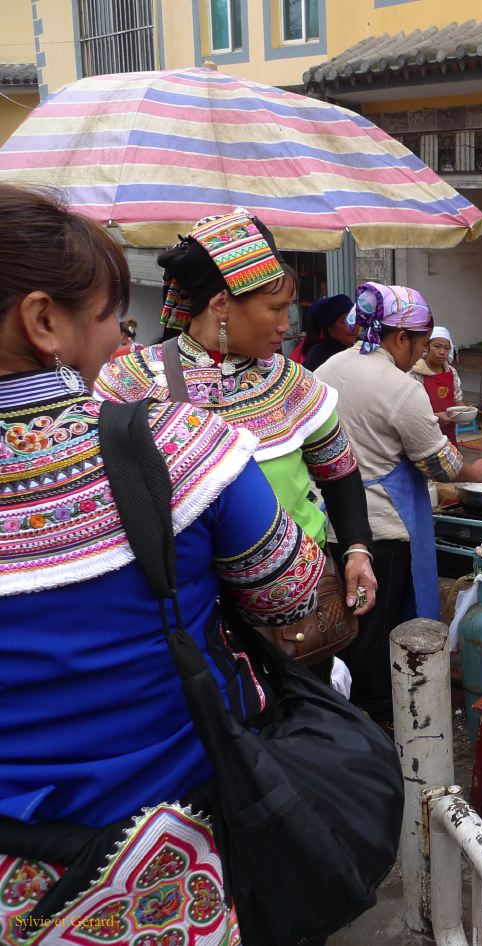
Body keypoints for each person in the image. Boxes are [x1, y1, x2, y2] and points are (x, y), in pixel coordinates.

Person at [0, 185, 326, 943]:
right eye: (109, 317)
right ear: (43, 321)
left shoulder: (271, 391)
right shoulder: (177, 447)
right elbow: (294, 593)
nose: (120, 340)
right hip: (162, 857)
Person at [95, 208, 377, 652]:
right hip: (188, 611)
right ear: (221, 304)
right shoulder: (129, 384)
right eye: (275, 309)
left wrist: (357, 549)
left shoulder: (292, 383)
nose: (286, 325)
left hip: (298, 610)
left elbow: (339, 474)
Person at [316, 284, 482, 725]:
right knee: (378, 629)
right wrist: (472, 471)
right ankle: (380, 716)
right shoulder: (401, 387)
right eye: (419, 344)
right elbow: (438, 462)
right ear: (400, 338)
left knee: (345, 622)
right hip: (382, 528)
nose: (419, 355)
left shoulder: (327, 368)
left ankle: (344, 705)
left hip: (331, 522)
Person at [411, 325, 465, 441]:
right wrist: (435, 416)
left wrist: (465, 412)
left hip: (448, 432)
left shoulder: (451, 372)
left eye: (446, 348)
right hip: (424, 435)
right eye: (437, 346)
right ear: (426, 347)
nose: (442, 352)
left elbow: (457, 398)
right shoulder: (416, 373)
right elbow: (411, 409)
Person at [294, 293, 358, 371]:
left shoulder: (360, 347)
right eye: (344, 321)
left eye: (355, 320)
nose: (353, 327)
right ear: (329, 327)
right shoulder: (319, 355)